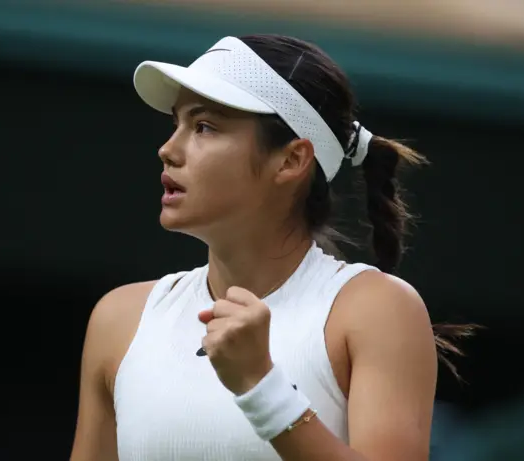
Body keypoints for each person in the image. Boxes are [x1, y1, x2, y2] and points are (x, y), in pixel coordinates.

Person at [70, 34, 460, 461]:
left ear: (291, 160)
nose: (168, 149)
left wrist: (262, 386)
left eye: (204, 127)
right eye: (176, 124)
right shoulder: (118, 319)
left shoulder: (377, 310)